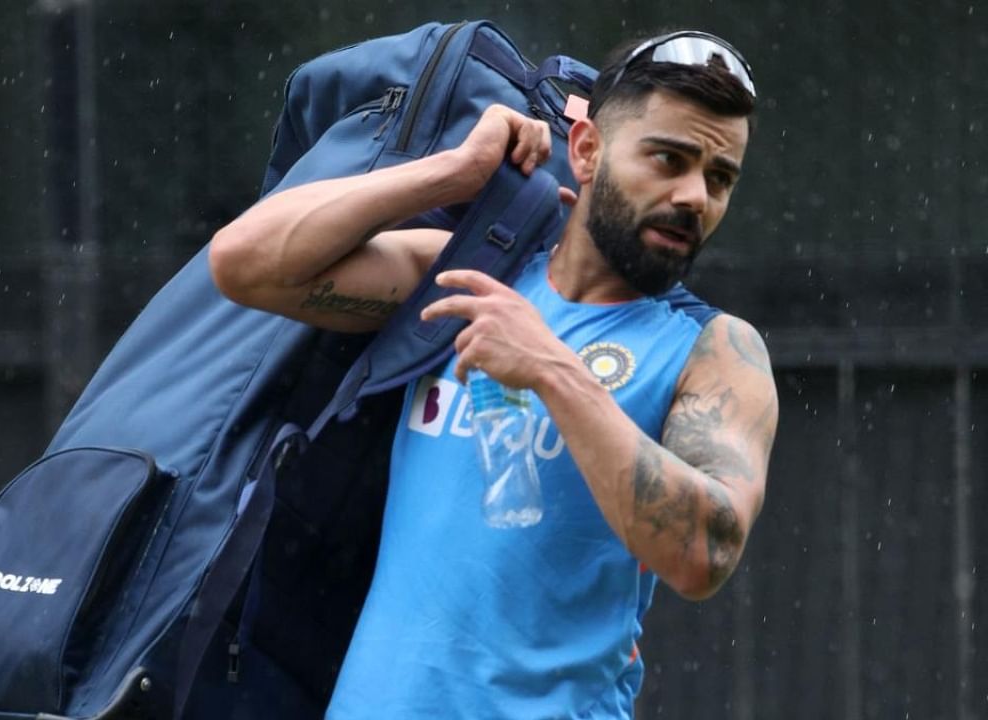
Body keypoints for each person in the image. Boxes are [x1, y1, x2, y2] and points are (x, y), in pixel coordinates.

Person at [209, 29, 777, 719]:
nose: (696, 197)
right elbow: (242, 264)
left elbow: (704, 554)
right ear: (588, 150)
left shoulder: (714, 349)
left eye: (720, 178)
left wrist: (551, 369)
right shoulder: (471, 274)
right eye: (669, 159)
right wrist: (454, 172)